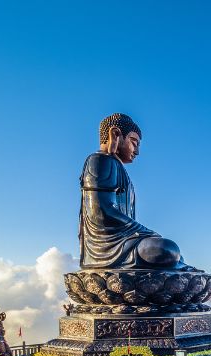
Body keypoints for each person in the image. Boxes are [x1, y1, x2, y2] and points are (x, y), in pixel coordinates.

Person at [78, 113, 193, 270]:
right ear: (116, 135)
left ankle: (179, 267)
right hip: (108, 247)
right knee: (166, 249)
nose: (137, 151)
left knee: (172, 254)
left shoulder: (117, 167)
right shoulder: (99, 161)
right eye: (134, 142)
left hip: (126, 239)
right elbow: (102, 211)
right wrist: (145, 231)